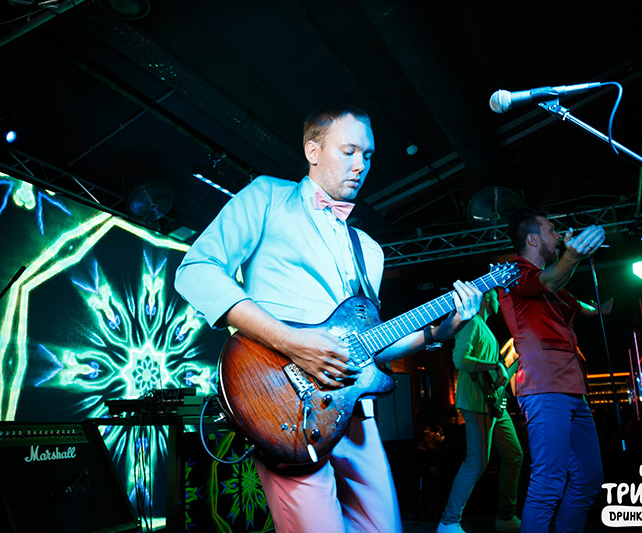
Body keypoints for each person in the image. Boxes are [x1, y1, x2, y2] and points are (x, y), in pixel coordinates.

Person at [174, 105, 483, 532]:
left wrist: (438, 331)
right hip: (285, 402)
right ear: (313, 151)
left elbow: (370, 343)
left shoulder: (369, 249)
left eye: (368, 155)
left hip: (353, 409)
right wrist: (291, 342)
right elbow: (196, 272)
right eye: (348, 151)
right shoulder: (267, 196)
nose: (361, 166)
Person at [498, 212, 612, 532]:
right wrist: (572, 255)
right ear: (533, 239)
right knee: (548, 482)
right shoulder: (513, 273)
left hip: (572, 385)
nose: (558, 235)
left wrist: (601, 309)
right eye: (551, 230)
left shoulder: (554, 287)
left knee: (589, 478)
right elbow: (549, 279)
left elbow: (571, 298)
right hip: (544, 385)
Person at [437, 289, 523, 533]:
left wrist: (506, 369)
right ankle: (448, 522)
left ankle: (505, 517)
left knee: (513, 455)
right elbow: (460, 360)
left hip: (492, 402)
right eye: (496, 296)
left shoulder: (484, 327)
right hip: (476, 402)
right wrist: (495, 365)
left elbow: (493, 372)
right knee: (476, 462)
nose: (499, 301)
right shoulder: (472, 322)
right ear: (486, 297)